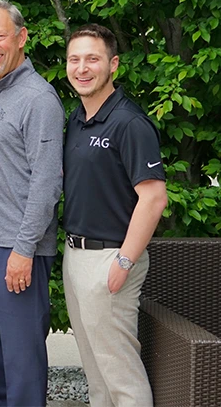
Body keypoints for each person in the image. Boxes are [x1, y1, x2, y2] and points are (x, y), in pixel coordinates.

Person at [62, 23, 168, 407]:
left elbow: (154, 198)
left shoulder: (129, 122)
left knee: (119, 373)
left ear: (113, 65)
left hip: (110, 258)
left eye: (92, 59)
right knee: (96, 371)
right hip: (76, 257)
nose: (82, 67)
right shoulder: (77, 119)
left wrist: (124, 261)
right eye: (75, 59)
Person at [0, 0, 65, 406]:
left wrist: (23, 250)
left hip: (17, 249)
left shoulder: (38, 99)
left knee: (23, 362)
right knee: (0, 359)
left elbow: (47, 183)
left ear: (21, 38)